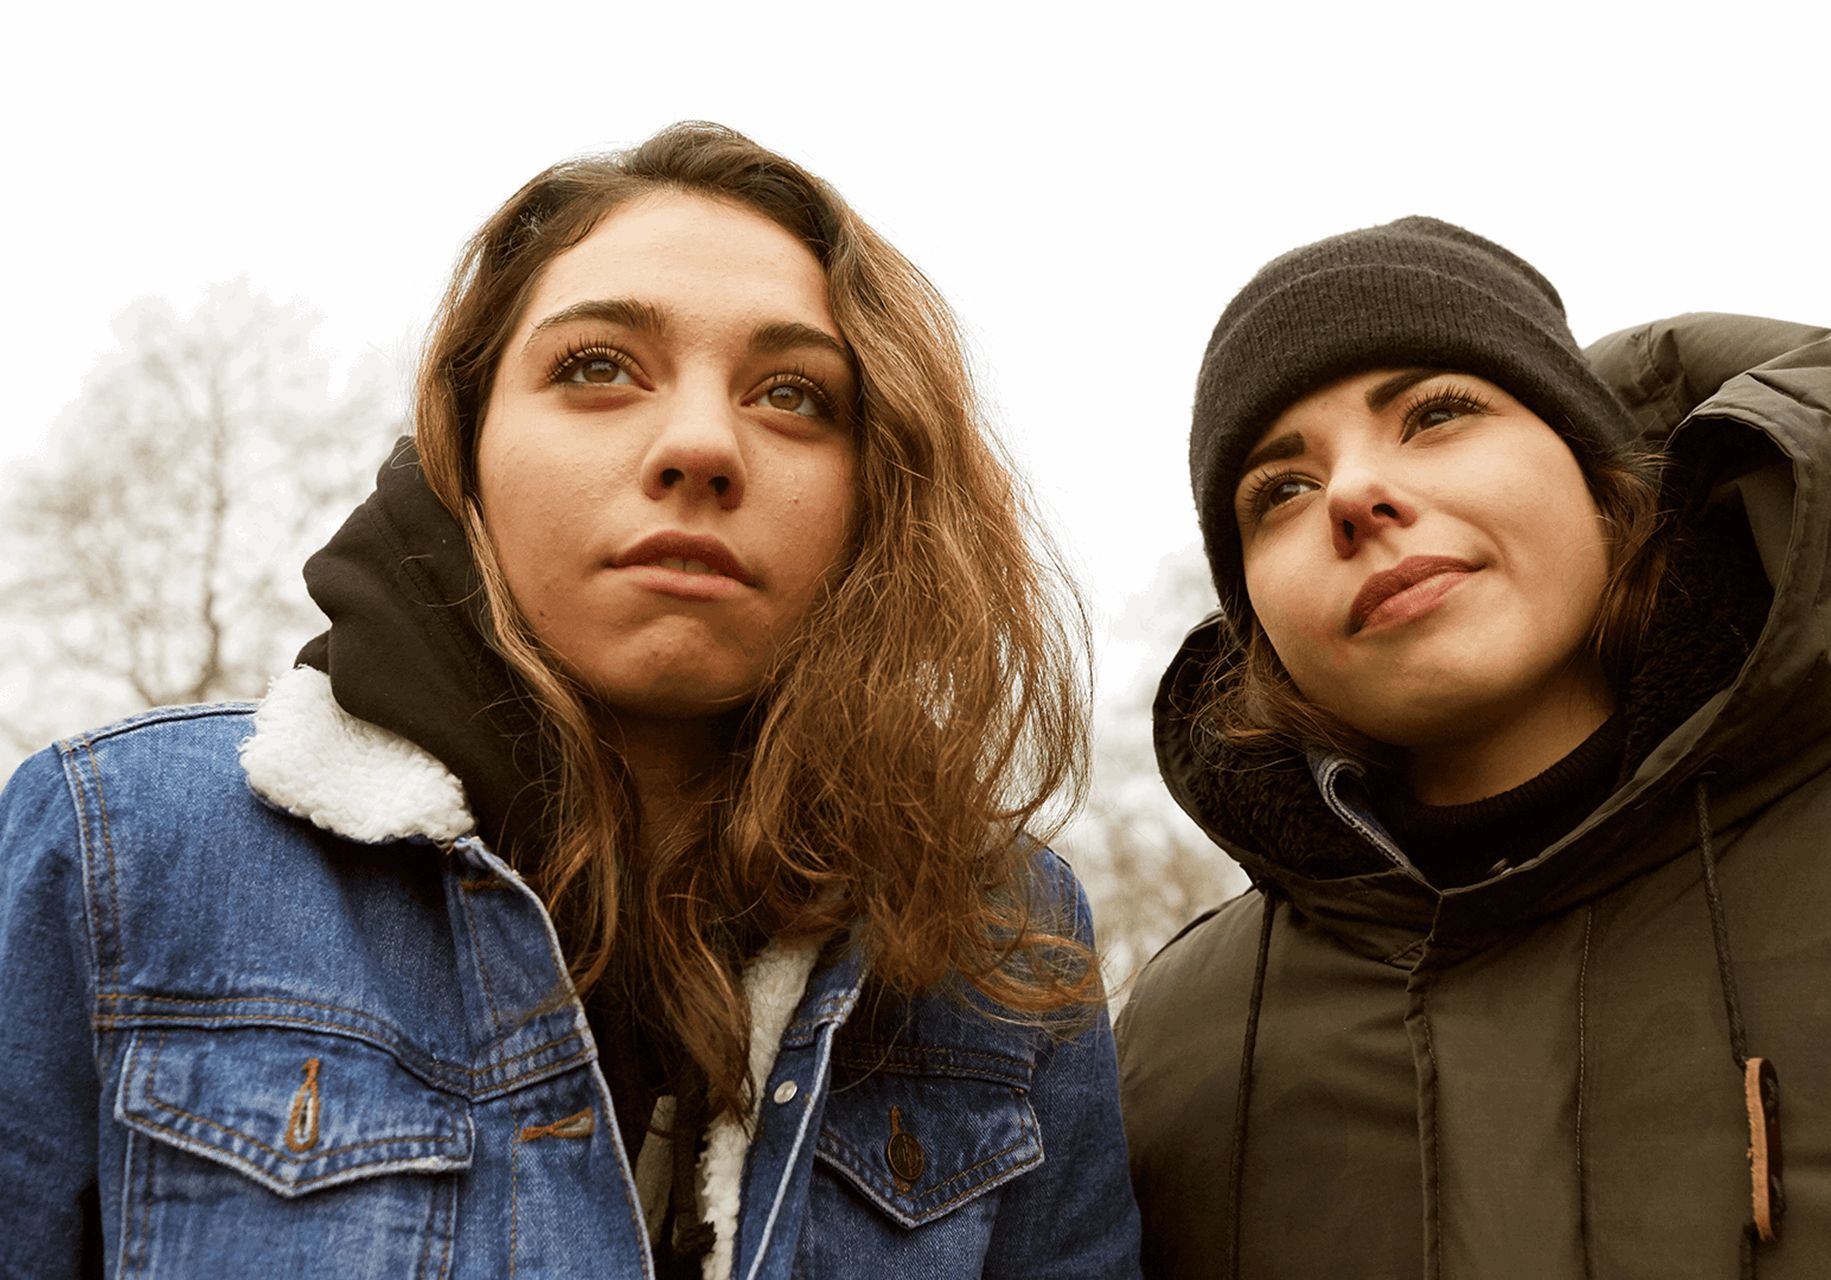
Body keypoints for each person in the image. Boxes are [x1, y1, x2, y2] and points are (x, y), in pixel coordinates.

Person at [0, 122, 1141, 1278]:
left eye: (793, 392)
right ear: (466, 441)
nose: (701, 443)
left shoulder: (1005, 940)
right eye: (597, 366)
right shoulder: (117, 854)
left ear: (879, 488)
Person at [1114, 217, 1831, 1277]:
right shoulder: (1170, 1051)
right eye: (1280, 490)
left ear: (1603, 476)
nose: (1352, 494)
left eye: (1437, 413)